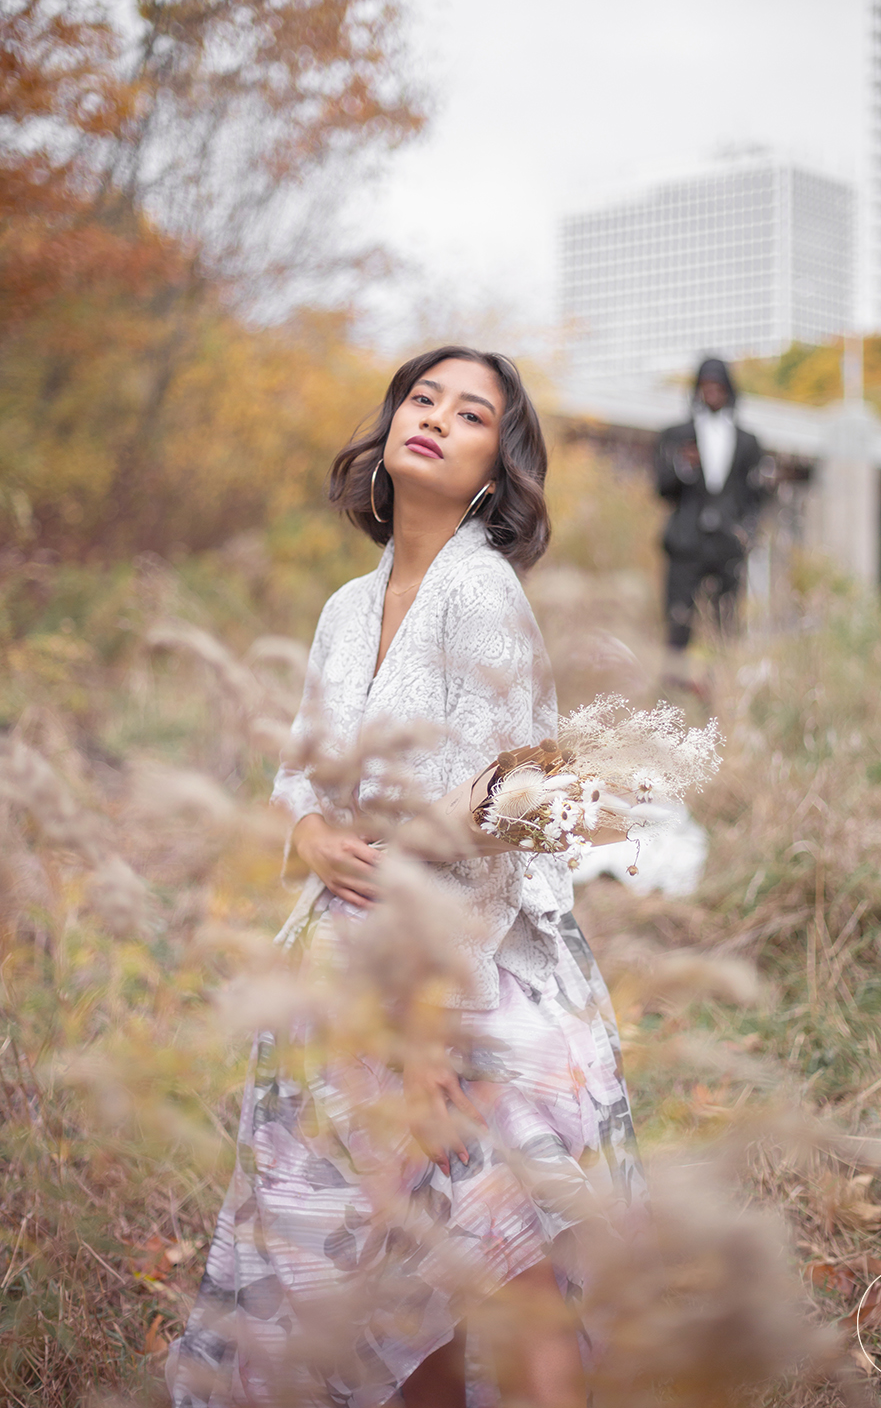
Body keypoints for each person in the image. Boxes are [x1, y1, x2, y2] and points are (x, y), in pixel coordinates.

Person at [167, 347, 644, 1408]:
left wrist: (427, 1021)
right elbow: (299, 770)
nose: (433, 416)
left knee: (506, 1275)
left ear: (493, 470)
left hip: (466, 987)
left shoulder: (482, 597)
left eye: (469, 413)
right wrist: (307, 838)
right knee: (394, 1291)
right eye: (420, 398)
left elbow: (497, 834)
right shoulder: (347, 605)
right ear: (386, 433)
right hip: (344, 980)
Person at [654, 357, 765, 685]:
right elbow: (661, 489)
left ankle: (723, 692)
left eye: (719, 387)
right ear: (697, 390)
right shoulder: (676, 435)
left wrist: (748, 531)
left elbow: (754, 496)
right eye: (706, 387)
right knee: (678, 622)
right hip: (686, 543)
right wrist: (683, 467)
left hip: (728, 545)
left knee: (726, 625)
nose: (712, 393)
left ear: (729, 391)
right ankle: (670, 698)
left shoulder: (748, 441)